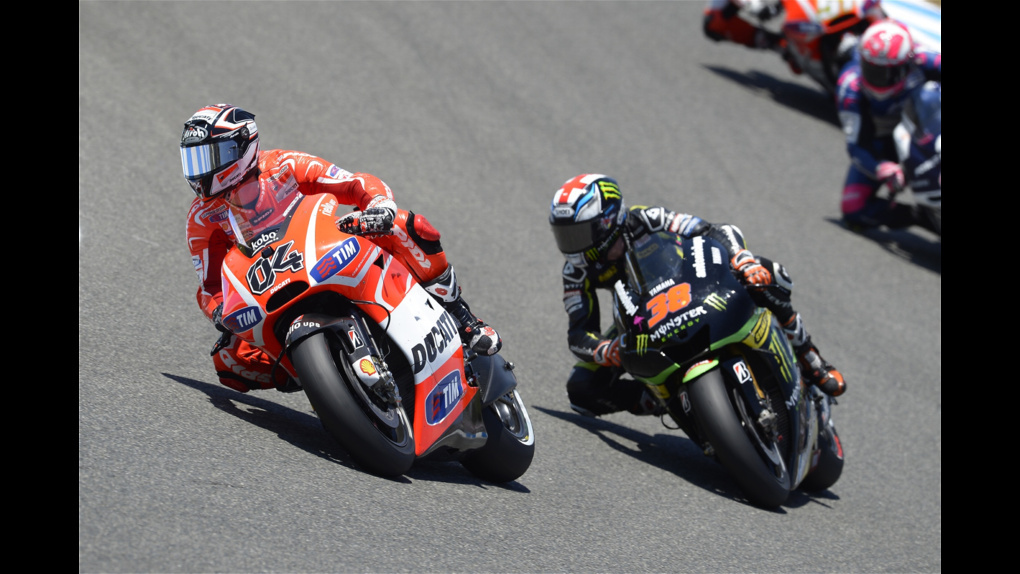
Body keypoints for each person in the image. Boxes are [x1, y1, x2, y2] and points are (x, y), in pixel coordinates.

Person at [181, 104, 500, 393]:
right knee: (230, 361)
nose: (200, 170)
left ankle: (462, 316)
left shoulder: (283, 165)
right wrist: (219, 311)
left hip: (325, 247)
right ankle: (324, 378)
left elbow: (352, 182)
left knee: (405, 225)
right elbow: (209, 286)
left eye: (209, 157)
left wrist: (380, 205)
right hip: (271, 282)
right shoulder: (202, 217)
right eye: (193, 159)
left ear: (240, 147)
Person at [549, 174, 845, 418]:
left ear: (608, 221)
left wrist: (742, 259)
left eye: (578, 235)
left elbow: (711, 229)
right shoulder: (576, 272)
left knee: (767, 272)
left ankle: (809, 356)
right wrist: (605, 350)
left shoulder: (645, 218)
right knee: (581, 389)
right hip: (639, 316)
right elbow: (578, 334)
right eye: (565, 236)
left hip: (694, 282)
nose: (571, 247)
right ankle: (658, 399)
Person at [835, 19, 941, 230]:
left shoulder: (925, 61)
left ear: (906, 64)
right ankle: (925, 217)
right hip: (885, 142)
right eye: (871, 69)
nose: (877, 79)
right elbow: (855, 145)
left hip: (931, 129)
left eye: (885, 73)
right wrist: (881, 168)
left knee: (930, 94)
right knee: (854, 207)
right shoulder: (850, 88)